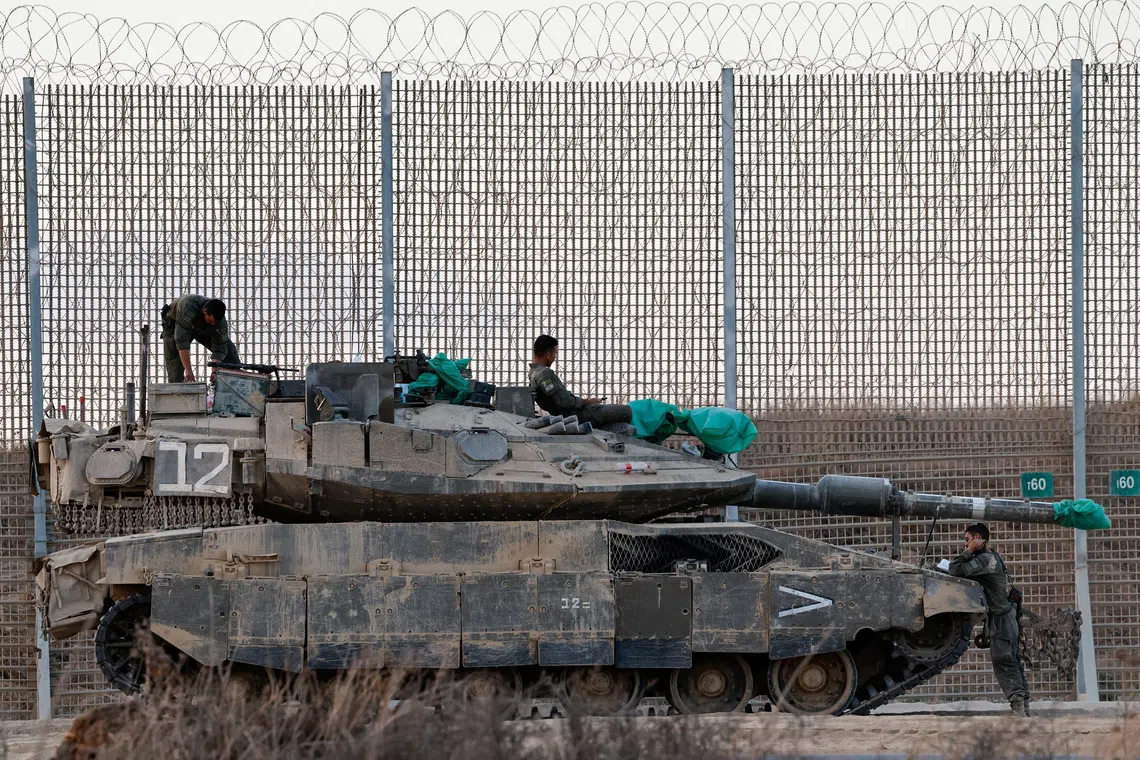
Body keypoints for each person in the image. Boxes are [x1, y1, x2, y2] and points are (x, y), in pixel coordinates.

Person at [947, 522, 1031, 717]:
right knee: (1012, 660)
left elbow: (954, 569)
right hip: (1005, 616)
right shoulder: (991, 557)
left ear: (978, 538)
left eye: (968, 540)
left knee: (1004, 661)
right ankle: (1023, 708)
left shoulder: (985, 560)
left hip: (1002, 619)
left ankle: (1019, 708)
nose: (965, 544)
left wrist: (968, 552)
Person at [529, 335, 637, 436]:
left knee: (620, 420)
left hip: (572, 414)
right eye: (554, 354)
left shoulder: (534, 373)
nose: (555, 357)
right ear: (548, 355)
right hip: (576, 415)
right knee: (626, 411)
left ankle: (608, 430)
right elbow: (564, 401)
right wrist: (588, 401)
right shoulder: (544, 374)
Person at [161, 294, 240, 383]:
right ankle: (177, 390)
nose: (213, 324)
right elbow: (181, 340)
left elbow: (219, 348)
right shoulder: (189, 306)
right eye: (211, 321)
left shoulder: (219, 323)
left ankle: (235, 386)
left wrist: (215, 372)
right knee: (175, 362)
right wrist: (188, 370)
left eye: (215, 322)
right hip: (174, 324)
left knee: (230, 353)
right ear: (204, 311)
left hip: (201, 326)